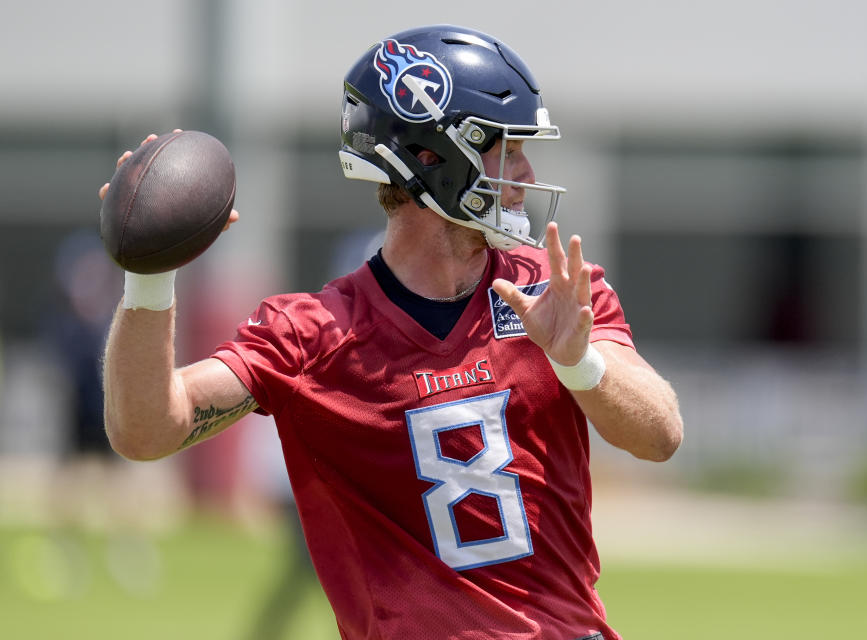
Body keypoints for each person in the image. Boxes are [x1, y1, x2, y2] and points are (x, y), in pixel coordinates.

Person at [100, 24, 683, 640]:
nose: (526, 169)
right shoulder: (313, 335)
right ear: (431, 158)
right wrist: (149, 278)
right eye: (506, 148)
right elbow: (145, 431)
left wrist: (579, 362)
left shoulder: (555, 290)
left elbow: (661, 435)